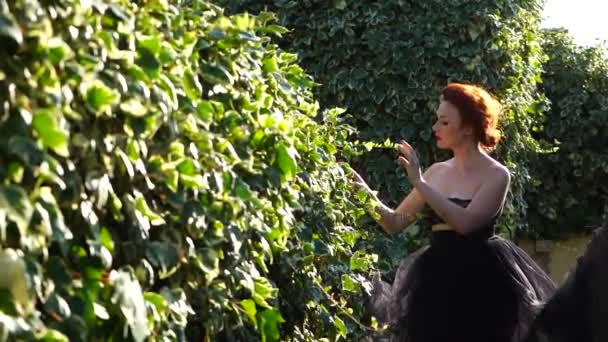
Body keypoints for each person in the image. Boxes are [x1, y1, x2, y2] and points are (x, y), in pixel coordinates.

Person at [351, 82, 556, 342]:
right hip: (435, 283)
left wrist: (420, 183)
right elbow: (394, 222)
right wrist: (362, 191)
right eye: (437, 121)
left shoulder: (497, 175)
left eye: (444, 122)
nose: (435, 128)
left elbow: (465, 224)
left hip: (482, 285)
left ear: (469, 127)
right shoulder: (437, 172)